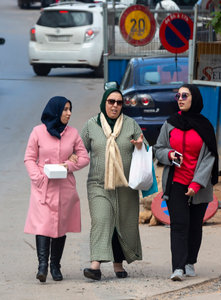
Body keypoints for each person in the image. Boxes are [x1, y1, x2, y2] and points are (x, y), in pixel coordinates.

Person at [153, 83, 219, 281]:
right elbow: (158, 148)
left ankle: (190, 261)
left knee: (194, 225)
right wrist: (170, 154)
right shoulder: (170, 123)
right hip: (176, 182)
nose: (180, 99)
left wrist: (196, 184)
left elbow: (210, 158)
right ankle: (178, 267)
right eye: (178, 96)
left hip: (199, 184)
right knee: (179, 224)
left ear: (194, 99)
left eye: (185, 95)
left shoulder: (205, 126)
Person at [80, 87, 146, 281]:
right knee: (102, 220)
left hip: (126, 186)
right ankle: (95, 266)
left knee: (122, 223)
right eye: (111, 101)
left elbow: (145, 147)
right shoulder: (91, 125)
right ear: (104, 102)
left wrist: (141, 146)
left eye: (119, 102)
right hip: (99, 184)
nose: (115, 106)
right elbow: (79, 150)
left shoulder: (131, 125)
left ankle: (118, 264)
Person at [24, 96, 90, 283]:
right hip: (43, 186)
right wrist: (38, 177)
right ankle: (42, 266)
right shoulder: (38, 132)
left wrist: (68, 165)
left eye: (70, 109)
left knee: (61, 226)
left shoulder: (73, 134)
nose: (69, 113)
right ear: (55, 110)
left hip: (64, 187)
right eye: (65, 109)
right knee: (43, 225)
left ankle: (56, 265)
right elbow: (29, 158)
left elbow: (84, 158)